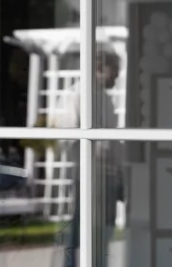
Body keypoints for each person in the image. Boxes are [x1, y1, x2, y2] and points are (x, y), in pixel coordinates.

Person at [53, 48, 124, 267]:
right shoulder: (77, 95)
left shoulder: (105, 99)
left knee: (103, 230)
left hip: (108, 176)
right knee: (82, 229)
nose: (118, 76)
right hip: (88, 175)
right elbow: (66, 135)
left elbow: (111, 141)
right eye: (115, 70)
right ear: (101, 68)